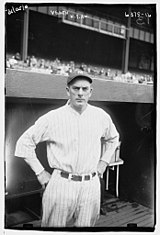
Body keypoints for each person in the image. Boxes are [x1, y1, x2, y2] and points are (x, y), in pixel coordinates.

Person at [15, 71, 119, 227]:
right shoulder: (53, 117)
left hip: (90, 183)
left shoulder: (100, 116)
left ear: (91, 92)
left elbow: (113, 138)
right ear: (67, 91)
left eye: (85, 89)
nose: (80, 93)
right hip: (62, 183)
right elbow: (24, 143)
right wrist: (41, 173)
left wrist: (104, 162)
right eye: (76, 89)